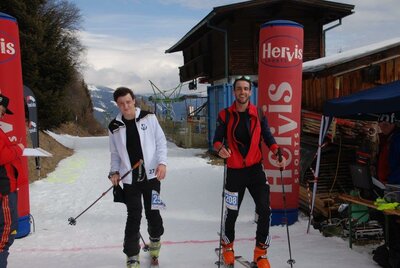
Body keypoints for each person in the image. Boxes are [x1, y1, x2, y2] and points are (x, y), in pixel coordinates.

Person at [213, 76, 286, 268]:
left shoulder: (259, 114)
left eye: (246, 88)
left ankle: (261, 253)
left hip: (255, 171)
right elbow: (217, 140)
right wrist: (220, 149)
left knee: (264, 210)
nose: (242, 92)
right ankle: (227, 248)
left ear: (250, 92)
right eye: (239, 89)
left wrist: (277, 151)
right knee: (232, 213)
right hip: (235, 172)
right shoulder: (225, 115)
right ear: (234, 91)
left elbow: (268, 136)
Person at [108, 87, 167, 268]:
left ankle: (155, 240)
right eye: (121, 103)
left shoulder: (149, 118)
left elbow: (160, 141)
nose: (125, 106)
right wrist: (114, 172)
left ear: (134, 100)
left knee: (153, 212)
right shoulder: (114, 127)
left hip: (151, 177)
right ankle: (132, 254)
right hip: (130, 180)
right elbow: (115, 154)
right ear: (117, 105)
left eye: (128, 101)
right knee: (134, 215)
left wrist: (162, 163)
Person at [0, 93, 24, 267]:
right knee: (6, 232)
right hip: (4, 188)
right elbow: (1, 155)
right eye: (1, 112)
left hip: (7, 185)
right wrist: (18, 149)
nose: (2, 116)